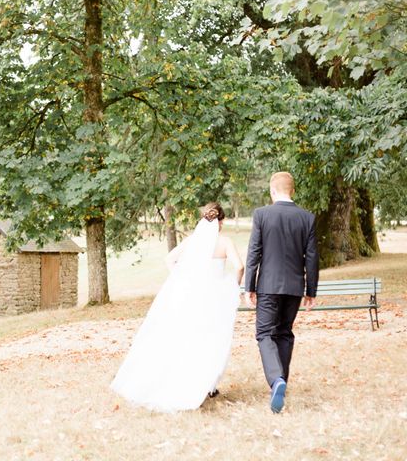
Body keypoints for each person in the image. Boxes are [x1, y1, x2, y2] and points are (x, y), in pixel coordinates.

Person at [110, 202, 244, 412]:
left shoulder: (192, 241)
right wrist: (232, 287)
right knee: (210, 340)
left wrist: (182, 280)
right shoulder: (225, 242)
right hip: (214, 298)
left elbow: (169, 259)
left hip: (191, 297)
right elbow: (240, 267)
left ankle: (189, 382)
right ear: (221, 222)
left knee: (187, 339)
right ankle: (207, 385)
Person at [245, 172, 319, 413]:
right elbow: (312, 257)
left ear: (272, 191)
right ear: (293, 191)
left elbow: (254, 252)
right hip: (295, 287)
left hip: (268, 285)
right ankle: (281, 382)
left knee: (264, 333)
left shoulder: (262, 215)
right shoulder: (307, 218)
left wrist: (249, 287)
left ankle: (277, 380)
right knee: (285, 333)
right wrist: (311, 290)